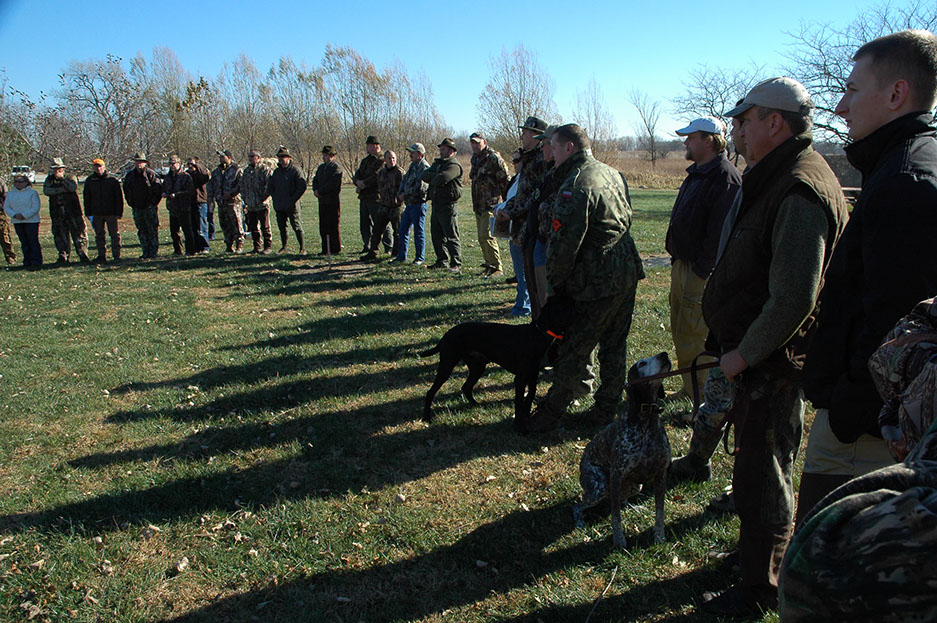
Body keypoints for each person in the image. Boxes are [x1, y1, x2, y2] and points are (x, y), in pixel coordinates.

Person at [698, 77, 849, 617]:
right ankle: (755, 557)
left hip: (771, 364)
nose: (736, 130)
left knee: (764, 475)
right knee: (758, 466)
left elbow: (793, 298)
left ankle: (760, 587)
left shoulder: (800, 188)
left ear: (775, 123)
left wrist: (744, 355)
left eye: (744, 120)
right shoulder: (779, 174)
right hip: (758, 359)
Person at [797, 29, 937, 526]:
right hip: (868, 416)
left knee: (827, 549)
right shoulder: (904, 164)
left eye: (853, 90)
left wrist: (848, 410)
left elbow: (896, 323)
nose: (840, 107)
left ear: (896, 93)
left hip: (865, 432)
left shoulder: (906, 184)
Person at [525, 124, 644, 431]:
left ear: (569, 148)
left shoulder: (576, 183)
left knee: (574, 348)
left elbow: (564, 245)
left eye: (554, 146)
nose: (550, 154)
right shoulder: (612, 173)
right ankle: (606, 408)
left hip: (596, 281)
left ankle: (550, 413)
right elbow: (626, 218)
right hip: (626, 271)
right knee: (614, 345)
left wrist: (555, 286)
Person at [666, 117, 741, 401]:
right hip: (683, 266)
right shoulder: (697, 174)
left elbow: (720, 233)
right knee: (681, 330)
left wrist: (701, 271)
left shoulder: (725, 177)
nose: (686, 142)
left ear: (710, 140)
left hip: (701, 272)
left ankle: (702, 399)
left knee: (696, 336)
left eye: (691, 137)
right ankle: (690, 389)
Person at [496, 115, 549, 317]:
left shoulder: (541, 161)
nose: (522, 136)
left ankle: (524, 307)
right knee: (522, 268)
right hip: (519, 222)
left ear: (536, 136)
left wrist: (511, 212)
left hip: (529, 224)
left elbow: (535, 196)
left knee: (529, 269)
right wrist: (507, 208)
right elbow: (521, 193)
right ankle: (523, 304)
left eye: (525, 132)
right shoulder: (528, 160)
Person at [468, 132, 509, 277]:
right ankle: (489, 265)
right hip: (478, 204)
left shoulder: (493, 158)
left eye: (477, 142)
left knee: (488, 235)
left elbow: (505, 180)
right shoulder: (475, 159)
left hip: (491, 204)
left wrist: (506, 202)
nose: (474, 146)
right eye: (472, 143)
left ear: (484, 142)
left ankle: (497, 267)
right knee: (481, 236)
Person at [422, 138, 464, 272]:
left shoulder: (454, 165)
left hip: (448, 205)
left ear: (451, 151)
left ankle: (456, 263)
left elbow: (443, 178)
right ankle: (442, 260)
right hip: (436, 203)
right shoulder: (438, 164)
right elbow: (424, 174)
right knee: (437, 235)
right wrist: (435, 176)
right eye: (440, 149)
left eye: (443, 149)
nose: (440, 151)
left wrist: (434, 177)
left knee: (451, 235)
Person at [496, 149, 530, 315]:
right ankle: (522, 304)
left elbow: (520, 202)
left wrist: (505, 209)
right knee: (519, 270)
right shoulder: (518, 178)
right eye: (513, 160)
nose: (514, 164)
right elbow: (511, 200)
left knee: (523, 271)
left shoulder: (527, 179)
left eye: (517, 160)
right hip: (514, 228)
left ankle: (523, 307)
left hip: (522, 229)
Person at [43, 157, 90, 264]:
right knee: (60, 234)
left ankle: (82, 254)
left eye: (59, 168)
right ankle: (63, 255)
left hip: (73, 211)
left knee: (79, 233)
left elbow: (72, 187)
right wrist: (61, 189)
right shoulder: (49, 179)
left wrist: (62, 181)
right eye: (55, 169)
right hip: (57, 212)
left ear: (63, 168)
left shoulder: (70, 177)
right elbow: (46, 191)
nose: (57, 171)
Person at [266, 146, 307, 255]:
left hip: (292, 205)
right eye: (279, 157)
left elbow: (302, 186)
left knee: (297, 226)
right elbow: (271, 186)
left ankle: (302, 248)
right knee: (282, 227)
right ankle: (284, 247)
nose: (281, 159)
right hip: (280, 205)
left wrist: (293, 199)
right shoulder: (277, 172)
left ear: (289, 158)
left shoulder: (295, 170)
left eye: (283, 156)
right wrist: (275, 198)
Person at [363, 150, 404, 261]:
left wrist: (399, 200)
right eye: (389, 158)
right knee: (377, 230)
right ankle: (373, 252)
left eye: (393, 158)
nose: (392, 160)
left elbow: (403, 188)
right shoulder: (381, 173)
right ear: (385, 160)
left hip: (396, 207)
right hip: (383, 205)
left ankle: (396, 253)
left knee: (397, 232)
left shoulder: (399, 172)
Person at [121, 152, 162, 259]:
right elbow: (126, 190)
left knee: (152, 230)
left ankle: (153, 252)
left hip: (149, 207)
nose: (139, 163)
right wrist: (131, 203)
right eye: (137, 161)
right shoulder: (130, 176)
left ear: (145, 163)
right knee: (141, 230)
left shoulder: (151, 174)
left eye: (141, 161)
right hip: (137, 207)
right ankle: (145, 251)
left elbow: (158, 190)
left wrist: (152, 203)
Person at [353, 135, 390, 254]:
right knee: (365, 223)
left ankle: (388, 246)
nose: (367, 148)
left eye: (369, 145)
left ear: (375, 146)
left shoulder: (382, 159)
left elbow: (376, 175)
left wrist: (363, 184)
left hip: (376, 196)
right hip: (364, 196)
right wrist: (357, 182)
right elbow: (357, 174)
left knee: (381, 222)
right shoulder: (366, 160)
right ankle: (367, 245)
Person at [83, 158, 124, 263]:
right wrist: (88, 212)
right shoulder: (90, 181)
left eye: (100, 166)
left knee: (114, 234)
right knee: (99, 235)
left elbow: (119, 198)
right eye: (96, 166)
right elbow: (87, 198)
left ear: (104, 167)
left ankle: (116, 255)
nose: (98, 168)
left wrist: (119, 212)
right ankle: (101, 255)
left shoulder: (112, 180)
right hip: (96, 213)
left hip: (111, 212)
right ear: (93, 168)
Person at [396, 143, 430, 264]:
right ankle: (401, 257)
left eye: (413, 152)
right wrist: (400, 193)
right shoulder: (412, 166)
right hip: (409, 204)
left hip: (418, 204)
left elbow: (421, 187)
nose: (410, 154)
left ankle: (419, 258)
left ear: (420, 154)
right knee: (403, 230)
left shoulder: (425, 167)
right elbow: (404, 180)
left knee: (418, 232)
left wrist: (405, 194)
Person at [207, 149, 243, 253]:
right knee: (224, 224)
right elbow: (211, 184)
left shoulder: (236, 170)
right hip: (221, 202)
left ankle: (239, 245)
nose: (221, 159)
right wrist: (210, 197)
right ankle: (229, 245)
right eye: (220, 157)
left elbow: (241, 184)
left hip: (233, 202)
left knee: (236, 224)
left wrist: (231, 194)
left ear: (229, 157)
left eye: (223, 157)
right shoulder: (217, 171)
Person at [4, 174, 42, 269]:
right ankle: (27, 261)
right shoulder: (10, 194)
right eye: (16, 182)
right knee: (24, 242)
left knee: (33, 241)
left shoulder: (32, 193)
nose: (18, 184)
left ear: (26, 182)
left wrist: (24, 215)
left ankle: (36, 261)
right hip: (17, 221)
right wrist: (14, 215)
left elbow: (35, 207)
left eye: (20, 182)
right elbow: (6, 207)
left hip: (31, 221)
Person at [162, 154, 196, 256]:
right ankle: (177, 250)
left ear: (179, 164)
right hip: (172, 208)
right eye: (170, 164)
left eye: (174, 163)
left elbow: (190, 191)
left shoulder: (185, 176)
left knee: (187, 230)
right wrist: (164, 193)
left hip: (183, 207)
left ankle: (190, 250)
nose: (172, 166)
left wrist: (177, 195)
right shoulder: (168, 177)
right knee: (174, 231)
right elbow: (164, 188)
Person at [312, 145, 343, 255]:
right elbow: (315, 180)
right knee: (323, 226)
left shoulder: (336, 168)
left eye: (325, 155)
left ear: (331, 156)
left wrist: (320, 191)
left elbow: (332, 184)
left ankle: (335, 249)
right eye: (323, 155)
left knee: (333, 226)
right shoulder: (321, 168)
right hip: (322, 202)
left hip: (332, 201)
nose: (323, 157)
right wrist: (315, 190)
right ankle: (325, 249)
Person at [240, 149, 273, 254]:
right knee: (253, 227)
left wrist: (262, 198)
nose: (250, 158)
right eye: (249, 156)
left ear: (258, 158)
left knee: (265, 227)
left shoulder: (264, 169)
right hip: (250, 204)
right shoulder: (247, 171)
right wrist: (245, 198)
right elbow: (242, 185)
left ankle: (268, 247)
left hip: (262, 204)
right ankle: (257, 247)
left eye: (252, 156)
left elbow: (269, 185)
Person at [186, 157, 211, 253]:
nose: (190, 166)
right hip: (190, 202)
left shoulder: (200, 174)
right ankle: (196, 247)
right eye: (188, 164)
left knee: (201, 227)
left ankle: (205, 247)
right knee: (192, 227)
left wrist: (197, 167)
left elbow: (205, 177)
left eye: (192, 164)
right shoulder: (186, 175)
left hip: (200, 202)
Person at [0, 178, 15, 265]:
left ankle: (10, 256)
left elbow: (5, 195)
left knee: (4, 235)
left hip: (0, 213)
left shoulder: (0, 182)